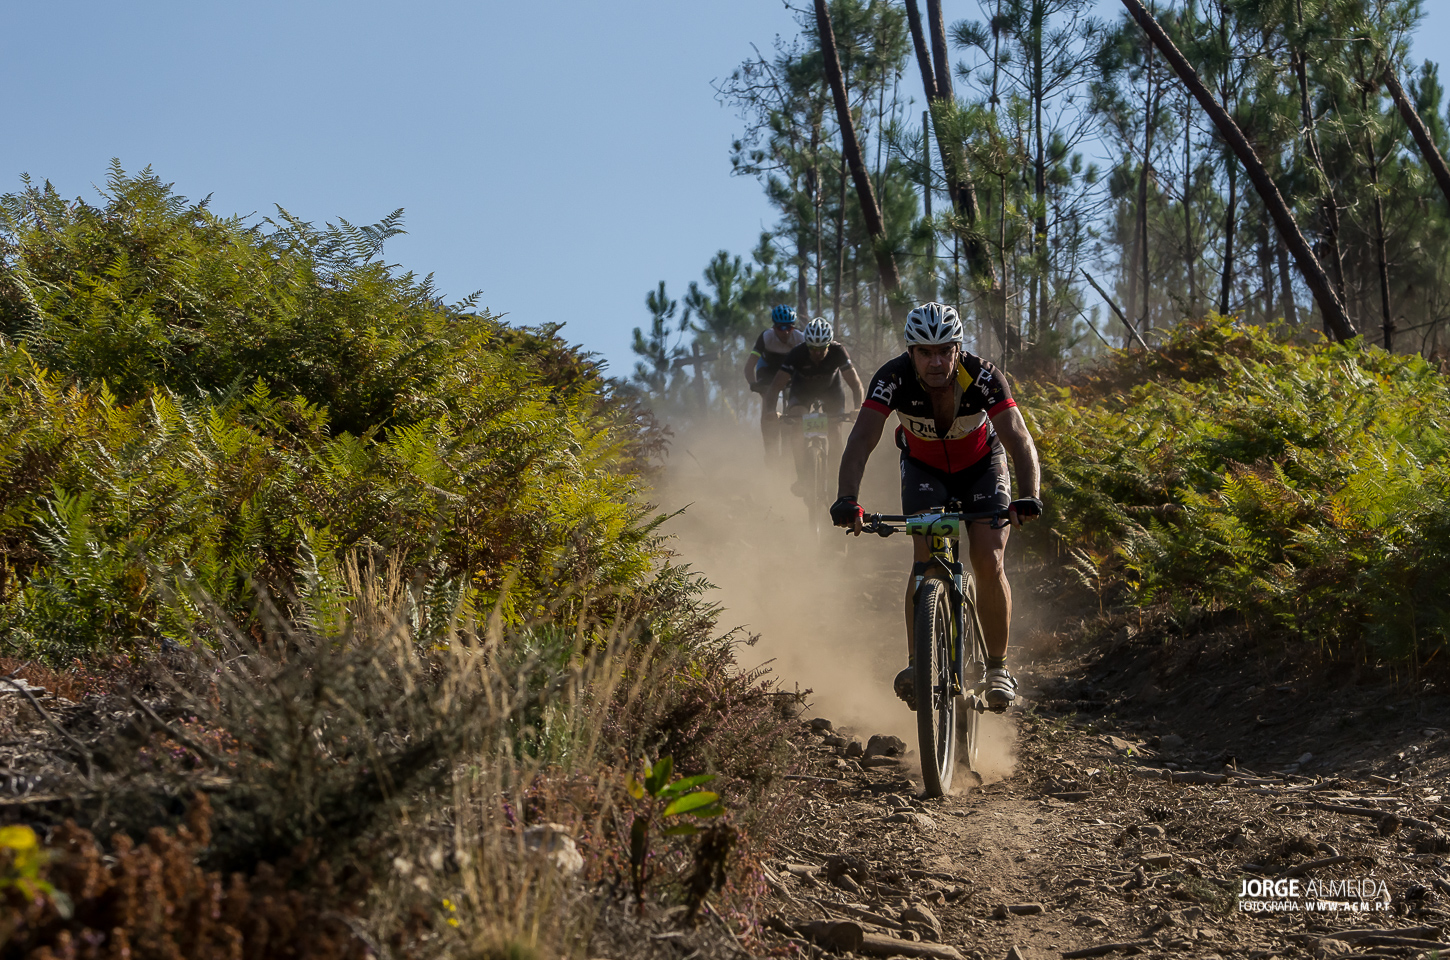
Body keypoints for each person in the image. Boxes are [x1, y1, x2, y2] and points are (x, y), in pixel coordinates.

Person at [828, 302, 1042, 711]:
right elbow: (861, 439)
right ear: (910, 352)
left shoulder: (983, 375)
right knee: (925, 562)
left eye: (945, 350)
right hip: (924, 470)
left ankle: (997, 667)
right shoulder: (892, 378)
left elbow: (1018, 437)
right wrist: (847, 497)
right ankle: (918, 664)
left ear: (958, 348)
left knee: (988, 559)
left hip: (982, 467)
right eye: (925, 353)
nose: (936, 362)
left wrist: (1029, 494)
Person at [770, 318, 864, 496]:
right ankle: (802, 478)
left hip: (831, 392)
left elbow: (856, 385)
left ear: (829, 344)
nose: (817, 353)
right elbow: (775, 386)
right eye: (813, 348)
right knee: (797, 428)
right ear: (807, 345)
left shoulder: (838, 351)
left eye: (822, 348)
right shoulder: (797, 353)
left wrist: (859, 408)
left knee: (835, 431)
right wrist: (770, 411)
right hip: (802, 392)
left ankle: (835, 478)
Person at [744, 305, 806, 463]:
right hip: (767, 371)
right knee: (767, 402)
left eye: (789, 327)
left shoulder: (800, 338)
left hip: (790, 371)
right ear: (774, 327)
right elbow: (749, 366)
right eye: (781, 327)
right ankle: (770, 450)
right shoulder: (766, 337)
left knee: (796, 405)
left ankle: (792, 443)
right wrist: (753, 384)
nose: (785, 332)